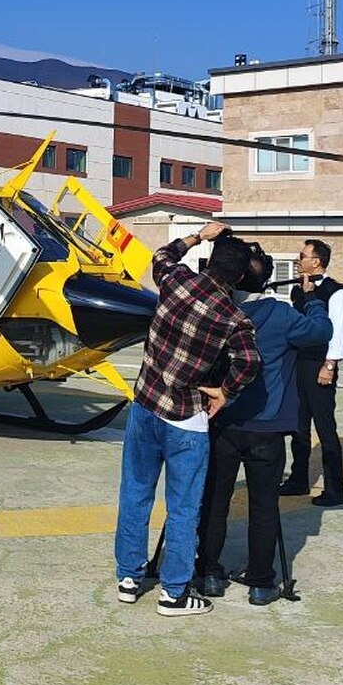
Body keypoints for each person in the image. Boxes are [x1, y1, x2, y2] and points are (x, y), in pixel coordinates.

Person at [114, 221, 262, 617]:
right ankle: (173, 593)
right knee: (182, 508)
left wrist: (199, 235)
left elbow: (160, 255)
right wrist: (226, 392)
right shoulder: (234, 318)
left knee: (135, 494)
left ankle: (129, 577)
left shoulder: (176, 280)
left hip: (145, 407)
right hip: (186, 418)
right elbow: (249, 361)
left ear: (210, 260)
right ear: (239, 277)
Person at [196, 250, 332, 605]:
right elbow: (321, 331)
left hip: (222, 421)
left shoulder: (218, 310)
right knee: (264, 505)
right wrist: (312, 298)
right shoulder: (281, 314)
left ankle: (209, 572)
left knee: (214, 502)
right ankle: (260, 582)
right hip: (267, 428)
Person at [280, 237, 343, 506]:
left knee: (325, 428)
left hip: (321, 365)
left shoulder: (338, 293)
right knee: (298, 427)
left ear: (316, 261)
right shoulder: (299, 290)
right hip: (298, 364)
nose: (299, 259)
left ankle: (335, 490)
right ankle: (299, 480)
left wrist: (330, 365)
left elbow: (338, 331)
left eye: (303, 255)